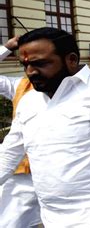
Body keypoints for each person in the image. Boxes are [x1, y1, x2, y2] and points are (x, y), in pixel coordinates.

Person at [0, 27, 90, 226]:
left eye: (40, 63)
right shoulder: (28, 102)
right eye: (25, 65)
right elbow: (9, 152)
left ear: (71, 59)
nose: (30, 72)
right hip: (50, 215)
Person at [0, 36, 41, 228]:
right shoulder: (20, 86)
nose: (32, 69)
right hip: (22, 175)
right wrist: (6, 48)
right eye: (26, 63)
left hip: (62, 175)